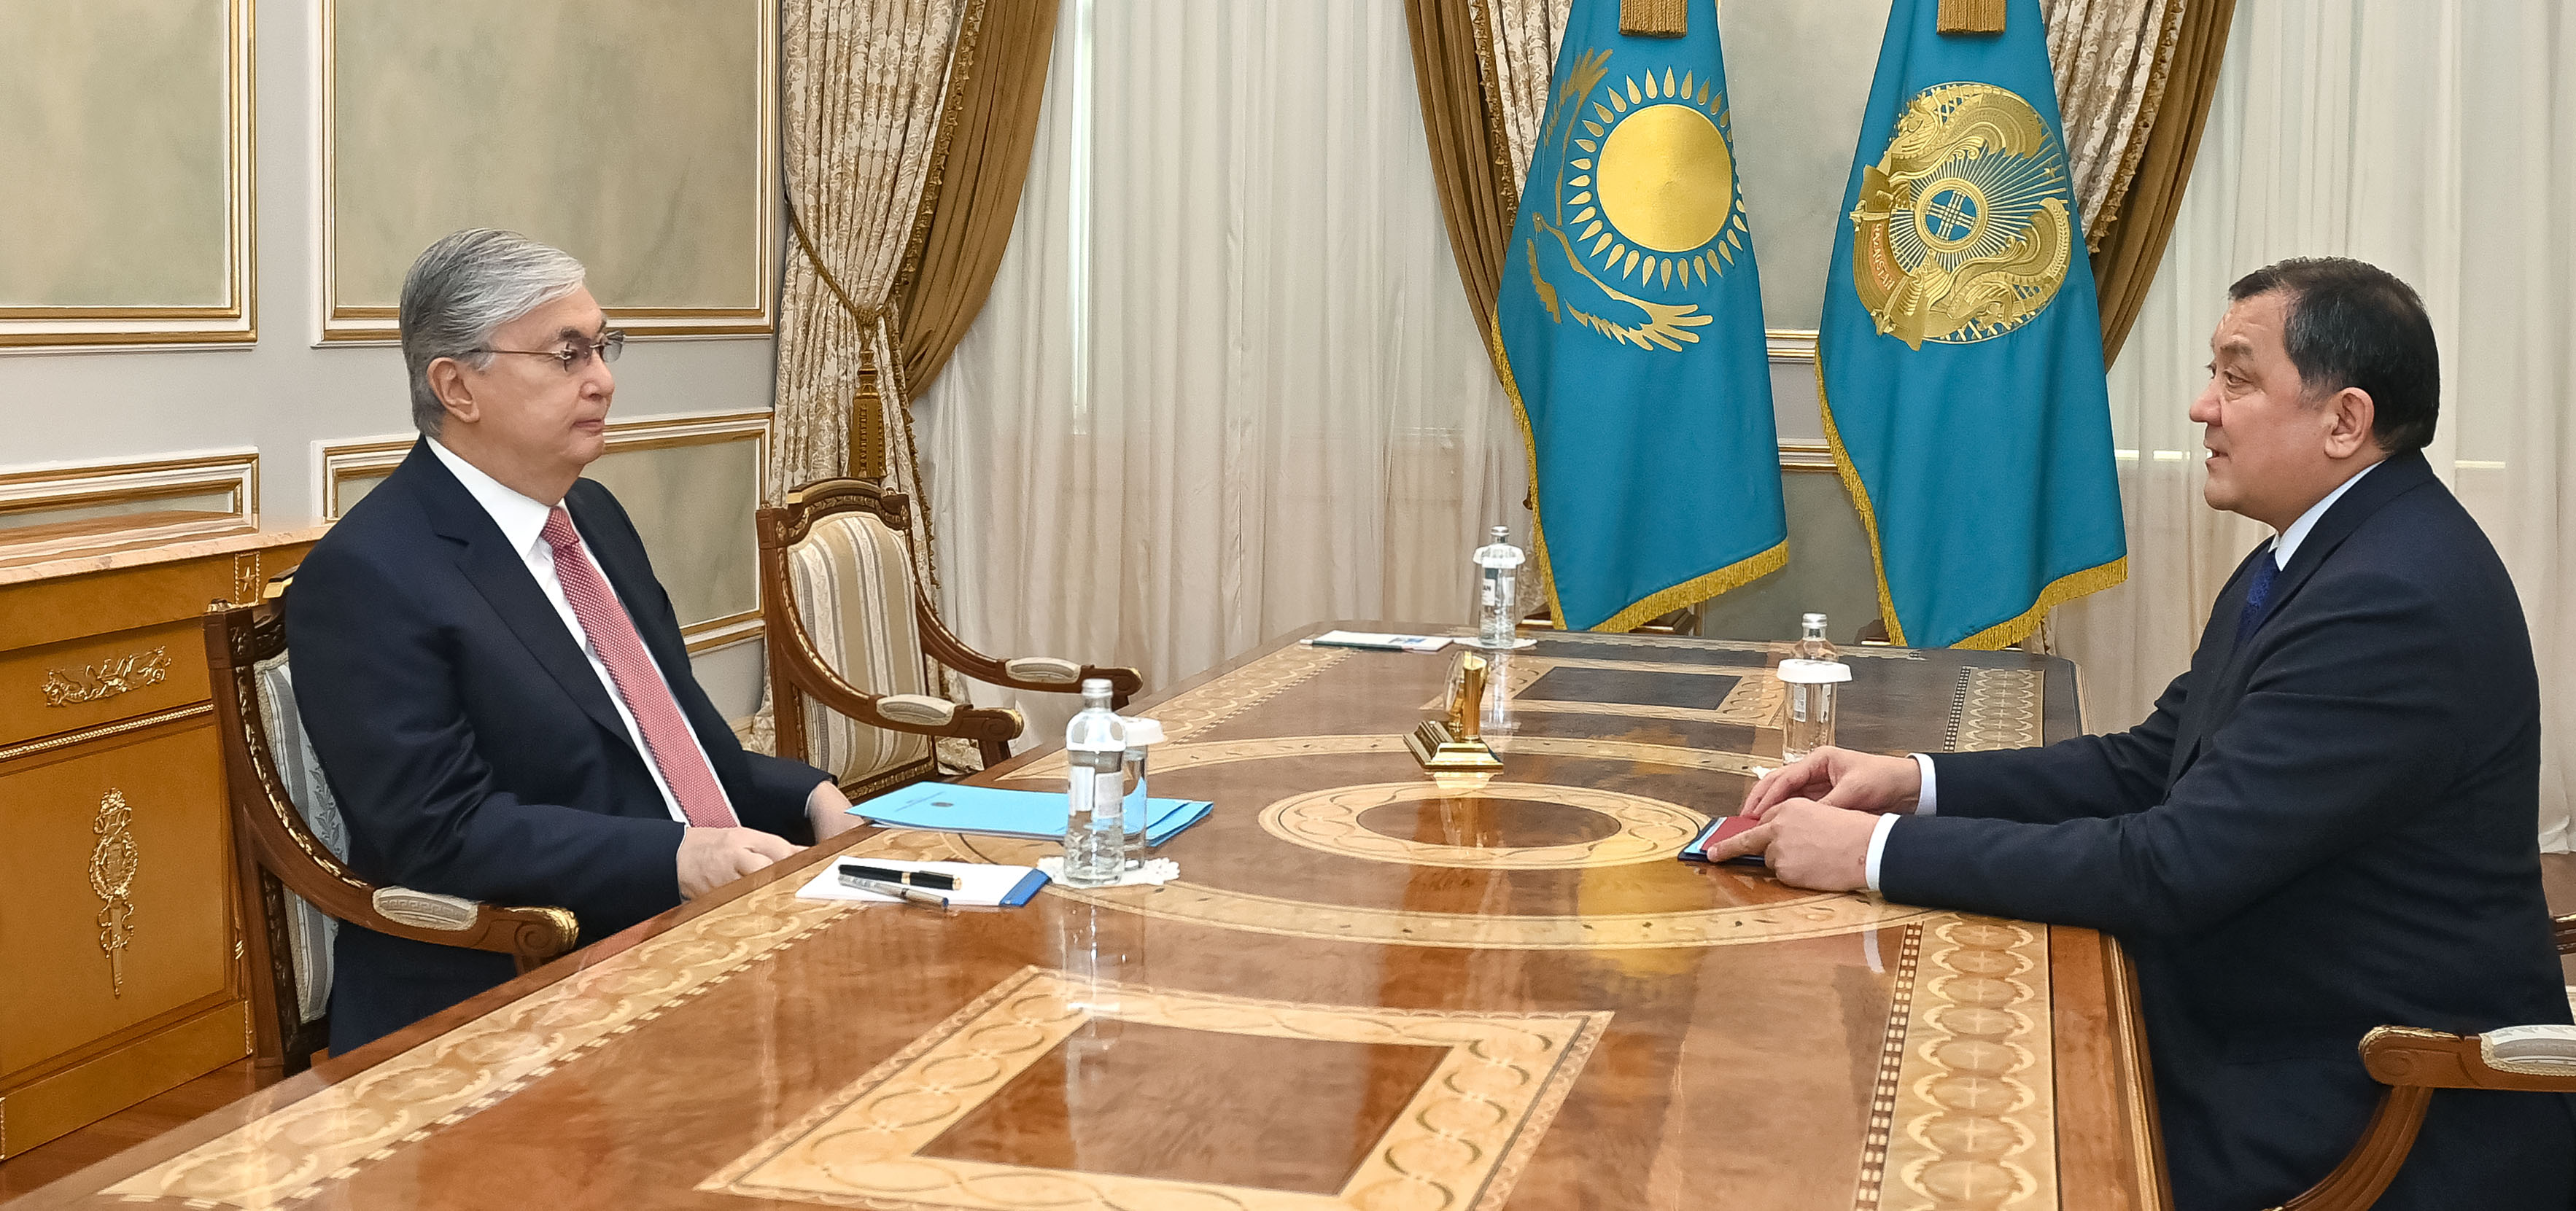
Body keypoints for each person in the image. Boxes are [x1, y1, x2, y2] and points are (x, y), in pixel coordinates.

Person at [1716, 257, 2575, 1210]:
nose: (2204, 407)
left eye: (2237, 379)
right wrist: (1910, 782)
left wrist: (1869, 852)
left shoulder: (2390, 600)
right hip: (2260, 1018)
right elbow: (2149, 762)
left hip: (2360, 1096)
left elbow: (2171, 867)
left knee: (1933, 1137)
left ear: (2345, 421)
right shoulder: (2324, 551)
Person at [289, 230, 857, 1054]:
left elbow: (664, 743)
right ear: (457, 386)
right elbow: (440, 832)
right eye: (566, 355)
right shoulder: (369, 574)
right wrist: (678, 858)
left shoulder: (593, 518)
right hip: (508, 988)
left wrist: (809, 796)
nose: (603, 380)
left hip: (679, 935)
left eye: (601, 346)